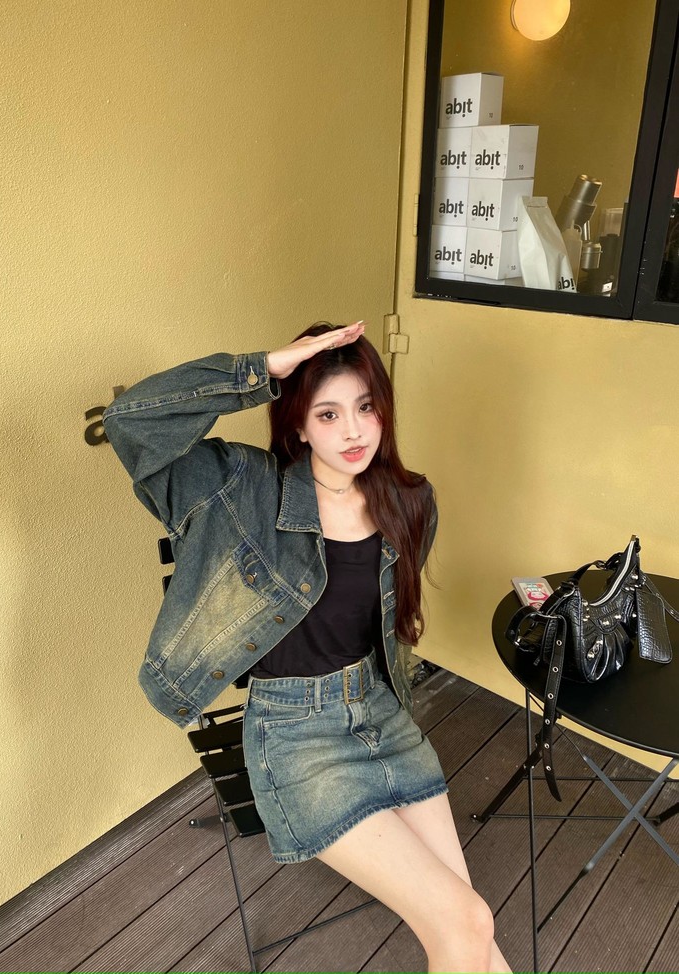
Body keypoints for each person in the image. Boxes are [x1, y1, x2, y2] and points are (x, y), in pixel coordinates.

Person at [103, 320, 511, 973]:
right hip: (294, 737)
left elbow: (382, 624)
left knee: (470, 923)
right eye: (328, 414)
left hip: (379, 714)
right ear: (297, 425)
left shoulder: (410, 502)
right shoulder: (242, 489)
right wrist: (264, 368)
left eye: (366, 407)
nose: (353, 431)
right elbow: (130, 423)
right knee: (465, 922)